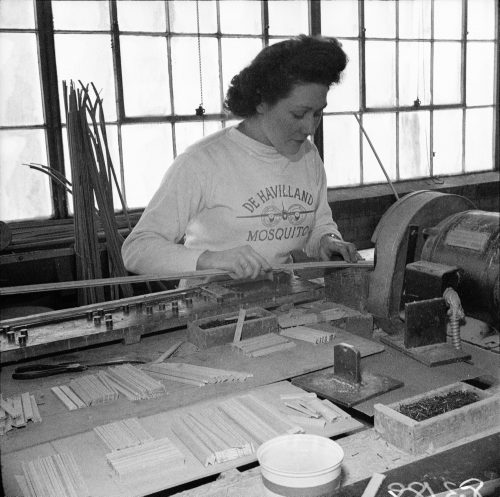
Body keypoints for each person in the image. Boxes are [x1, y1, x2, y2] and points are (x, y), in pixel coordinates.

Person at [122, 34, 361, 281]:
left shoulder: (308, 157)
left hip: (280, 303)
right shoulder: (202, 162)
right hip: (210, 310)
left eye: (318, 113)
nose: (310, 128)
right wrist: (209, 259)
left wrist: (326, 240)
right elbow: (137, 248)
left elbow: (317, 223)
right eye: (299, 114)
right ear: (260, 103)